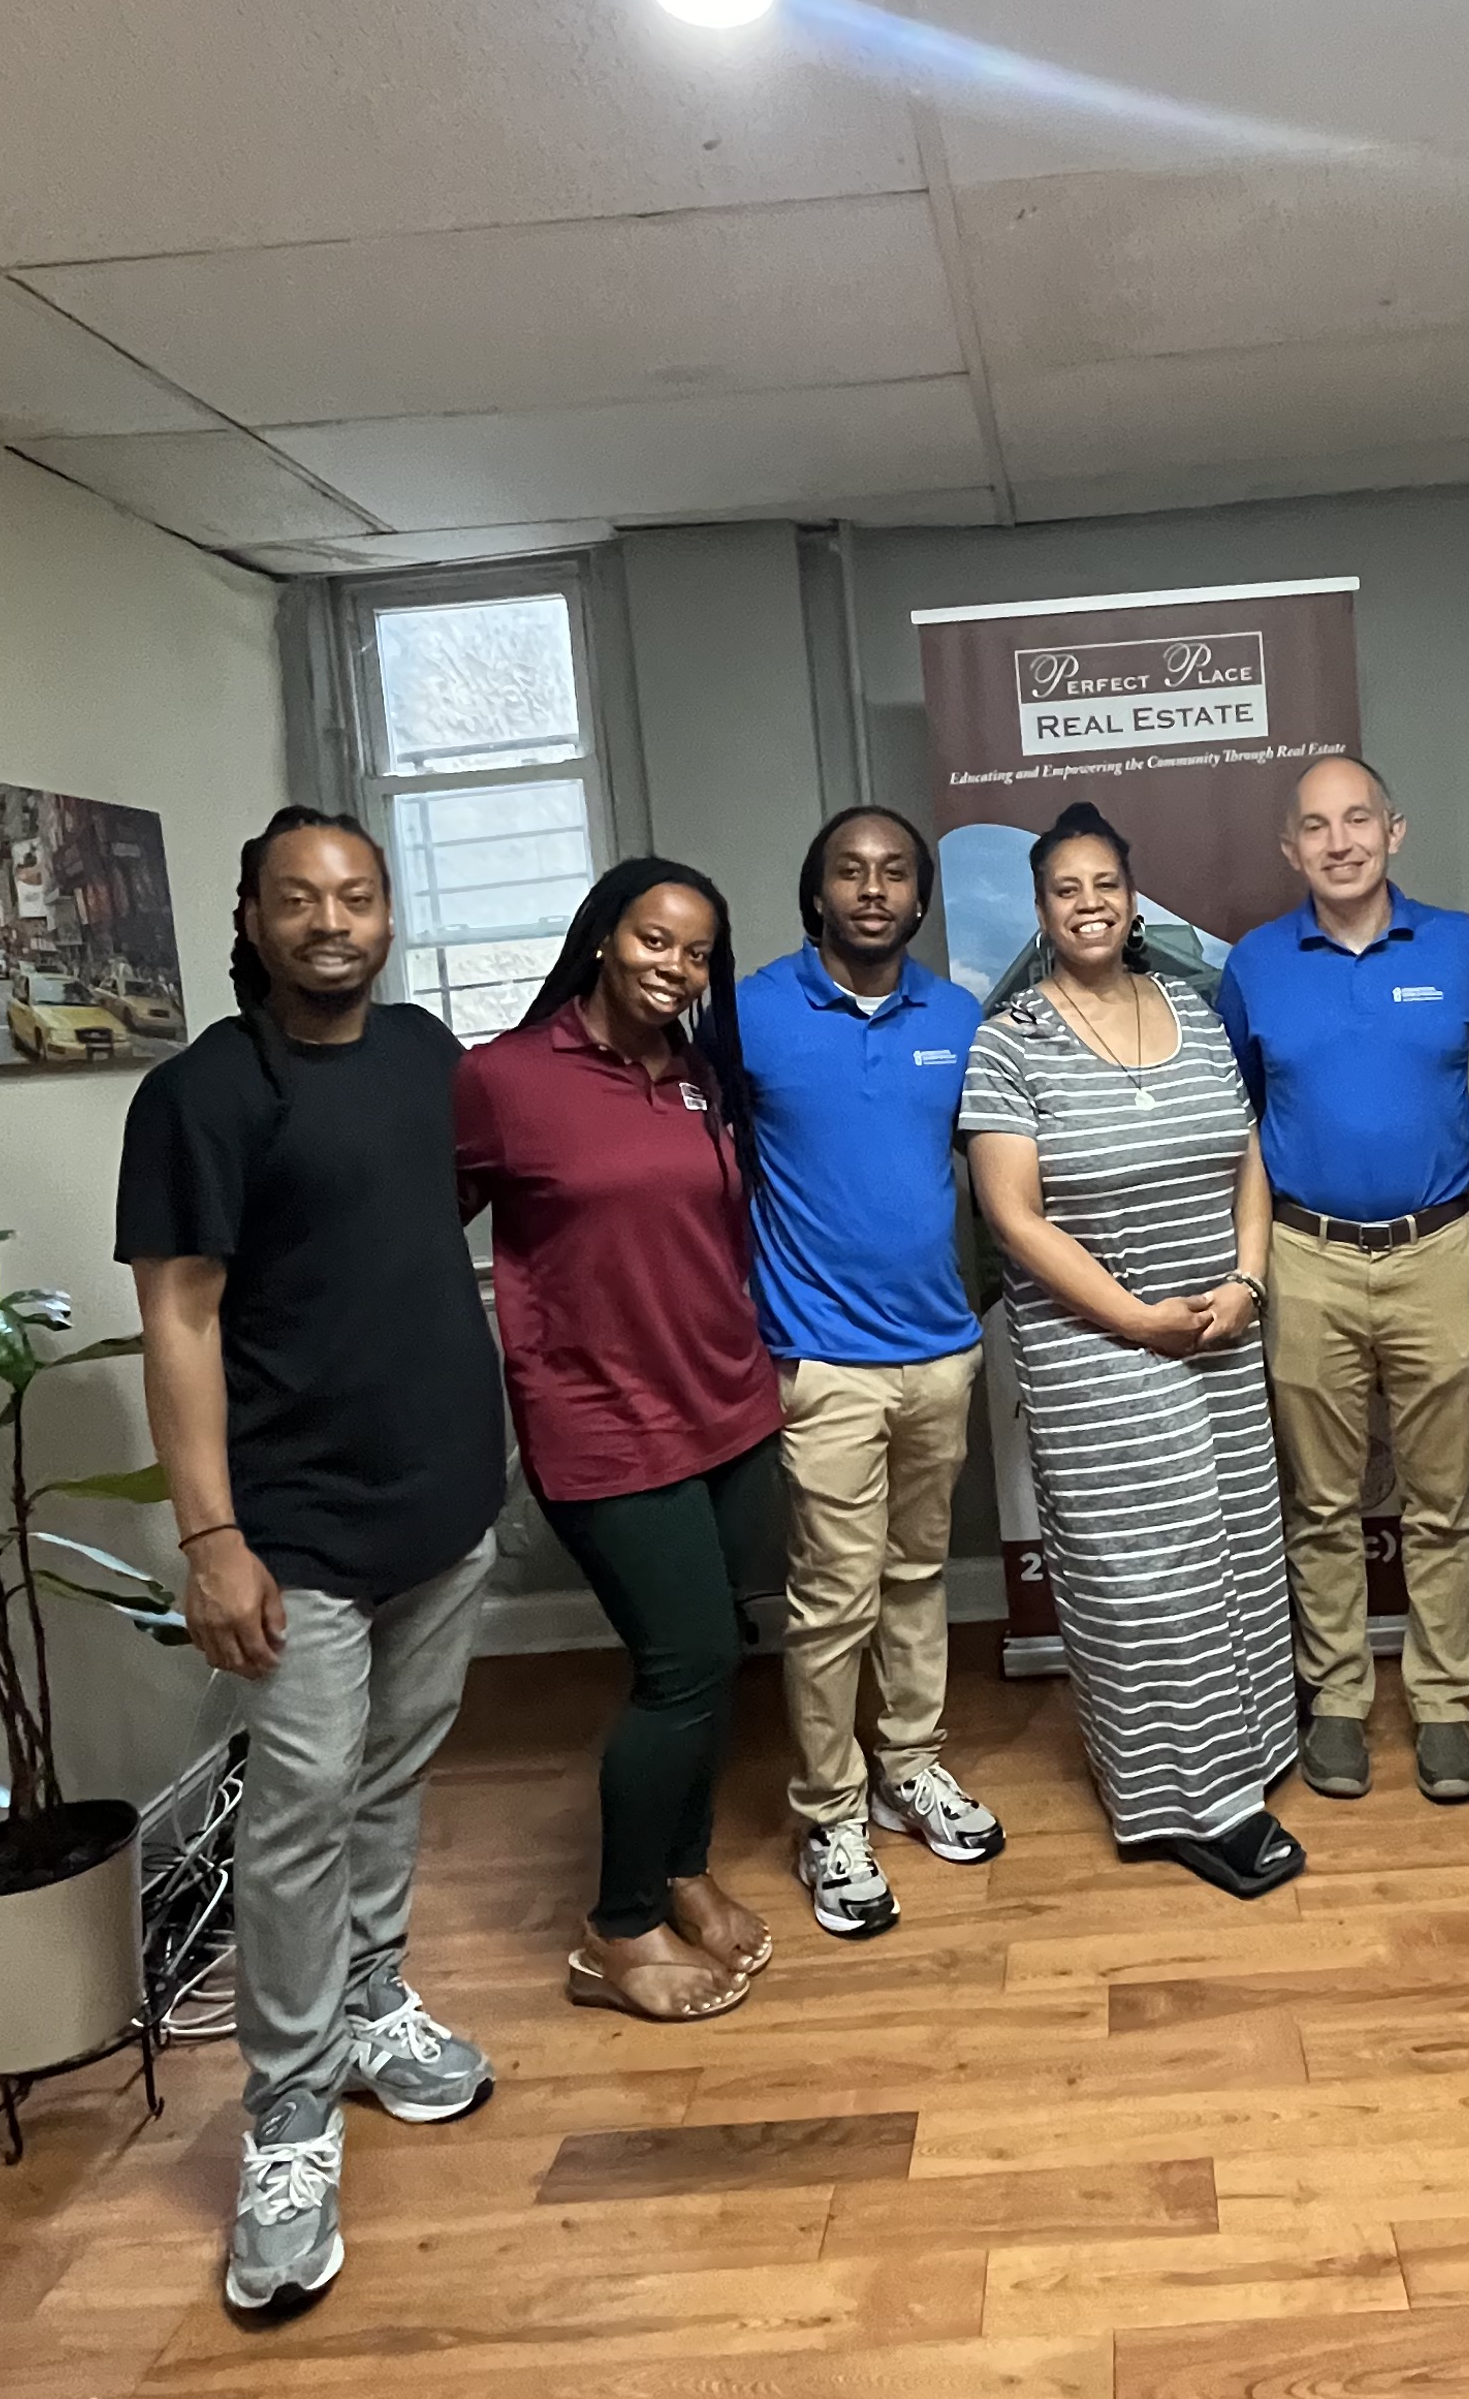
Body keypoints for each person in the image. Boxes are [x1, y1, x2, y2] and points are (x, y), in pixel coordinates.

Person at [122, 806, 508, 2325]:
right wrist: (211, 1539)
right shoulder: (200, 1094)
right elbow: (179, 1321)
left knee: (390, 1779)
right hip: (294, 1533)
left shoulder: (423, 1056)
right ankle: (286, 2117)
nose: (331, 923)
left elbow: (411, 1240)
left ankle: (366, 2000)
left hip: (445, 1504)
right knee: (296, 1816)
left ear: (389, 914)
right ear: (252, 917)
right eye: (299, 899)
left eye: (356, 896)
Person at [454, 860, 781, 2025]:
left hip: (728, 1407)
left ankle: (683, 1868)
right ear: (603, 937)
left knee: (718, 1653)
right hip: (601, 1421)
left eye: (697, 953)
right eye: (654, 939)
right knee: (683, 1662)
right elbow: (416, 1235)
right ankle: (617, 1925)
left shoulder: (699, 1077)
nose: (674, 967)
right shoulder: (503, 1078)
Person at [959, 801, 1303, 1896]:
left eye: (1105, 884)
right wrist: (1136, 1319)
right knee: (1150, 1582)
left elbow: (1248, 1156)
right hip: (1099, 1358)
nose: (1089, 904)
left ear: (1132, 896)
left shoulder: (1192, 1010)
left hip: (1221, 1335)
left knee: (1238, 1553)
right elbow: (1015, 1219)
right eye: (1066, 889)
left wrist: (1248, 1281)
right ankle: (1188, 1802)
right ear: (1041, 908)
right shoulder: (1009, 1043)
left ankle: (1251, 1757)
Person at [1215, 755, 1469, 1806]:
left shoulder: (1462, 948)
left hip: (1438, 1255)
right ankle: (1336, 1697)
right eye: (1316, 826)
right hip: (1308, 1258)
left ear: (1395, 829)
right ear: (1290, 848)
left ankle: (1444, 1704)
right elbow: (1241, 1118)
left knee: (1443, 1502)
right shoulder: (1255, 965)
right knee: (1321, 1502)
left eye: (1358, 820)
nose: (1339, 842)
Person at [736, 805, 1001, 1942]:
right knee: (832, 1598)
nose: (874, 889)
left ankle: (910, 1768)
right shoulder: (747, 1014)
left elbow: (1001, 1171)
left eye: (895, 873)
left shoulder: (956, 1016)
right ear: (817, 894)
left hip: (939, 1353)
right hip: (823, 1363)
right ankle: (829, 1815)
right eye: (851, 871)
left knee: (917, 1576)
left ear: (920, 899)